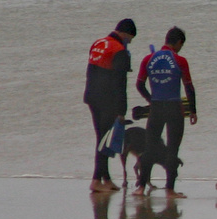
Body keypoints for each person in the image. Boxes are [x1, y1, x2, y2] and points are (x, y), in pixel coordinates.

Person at [132, 26, 197, 198]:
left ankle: (140, 188)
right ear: (178, 42)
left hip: (156, 108)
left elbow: (139, 85)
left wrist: (150, 99)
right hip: (174, 108)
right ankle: (170, 189)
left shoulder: (148, 59)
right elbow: (189, 87)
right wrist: (193, 110)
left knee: (149, 148)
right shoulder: (180, 60)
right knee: (172, 149)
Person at [84, 19, 136, 192]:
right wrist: (122, 110)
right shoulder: (119, 50)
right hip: (107, 100)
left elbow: (90, 71)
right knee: (104, 140)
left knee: (101, 137)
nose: (129, 42)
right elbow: (121, 83)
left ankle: (106, 178)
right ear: (126, 34)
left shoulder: (98, 43)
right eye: (130, 39)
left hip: (92, 96)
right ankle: (96, 180)